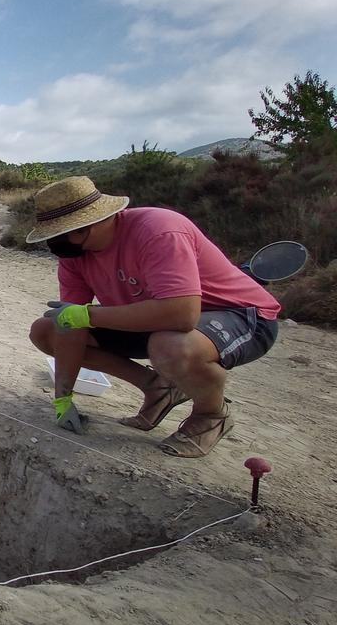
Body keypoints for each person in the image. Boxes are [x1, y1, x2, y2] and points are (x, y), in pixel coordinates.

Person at [27, 176, 281, 457]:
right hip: (157, 322)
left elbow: (181, 315)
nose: (57, 243)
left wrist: (89, 315)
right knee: (47, 329)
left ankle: (212, 415)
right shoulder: (75, 257)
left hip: (240, 315)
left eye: (64, 233)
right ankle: (158, 387)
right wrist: (62, 397)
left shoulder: (158, 231)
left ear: (95, 220)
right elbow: (69, 327)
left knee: (171, 346)